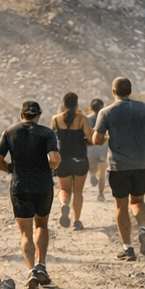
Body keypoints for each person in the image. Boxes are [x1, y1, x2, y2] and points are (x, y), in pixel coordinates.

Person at [91, 77, 145, 261]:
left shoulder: (106, 112)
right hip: (141, 164)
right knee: (137, 201)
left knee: (121, 206)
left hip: (118, 166)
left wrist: (108, 136)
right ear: (130, 91)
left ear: (113, 91)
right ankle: (142, 228)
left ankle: (128, 248)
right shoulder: (144, 108)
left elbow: (96, 140)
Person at [0, 100, 60, 289]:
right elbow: (55, 159)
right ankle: (41, 265)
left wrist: (10, 169)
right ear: (38, 115)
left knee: (25, 233)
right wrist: (47, 168)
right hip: (43, 186)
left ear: (22, 114)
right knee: (41, 224)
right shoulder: (47, 133)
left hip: (20, 186)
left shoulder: (10, 132)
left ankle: (31, 270)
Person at [52, 93, 91, 231]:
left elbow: (51, 140)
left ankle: (64, 205)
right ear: (77, 104)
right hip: (80, 159)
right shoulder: (82, 119)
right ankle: (77, 221)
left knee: (64, 189)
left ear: (63, 103)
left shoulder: (56, 119)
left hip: (63, 161)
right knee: (78, 191)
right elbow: (91, 139)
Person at [86, 98, 108, 200]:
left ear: (90, 108)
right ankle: (101, 194)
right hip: (103, 148)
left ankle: (92, 175)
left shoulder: (86, 119)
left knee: (93, 168)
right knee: (102, 173)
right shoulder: (106, 118)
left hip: (91, 149)